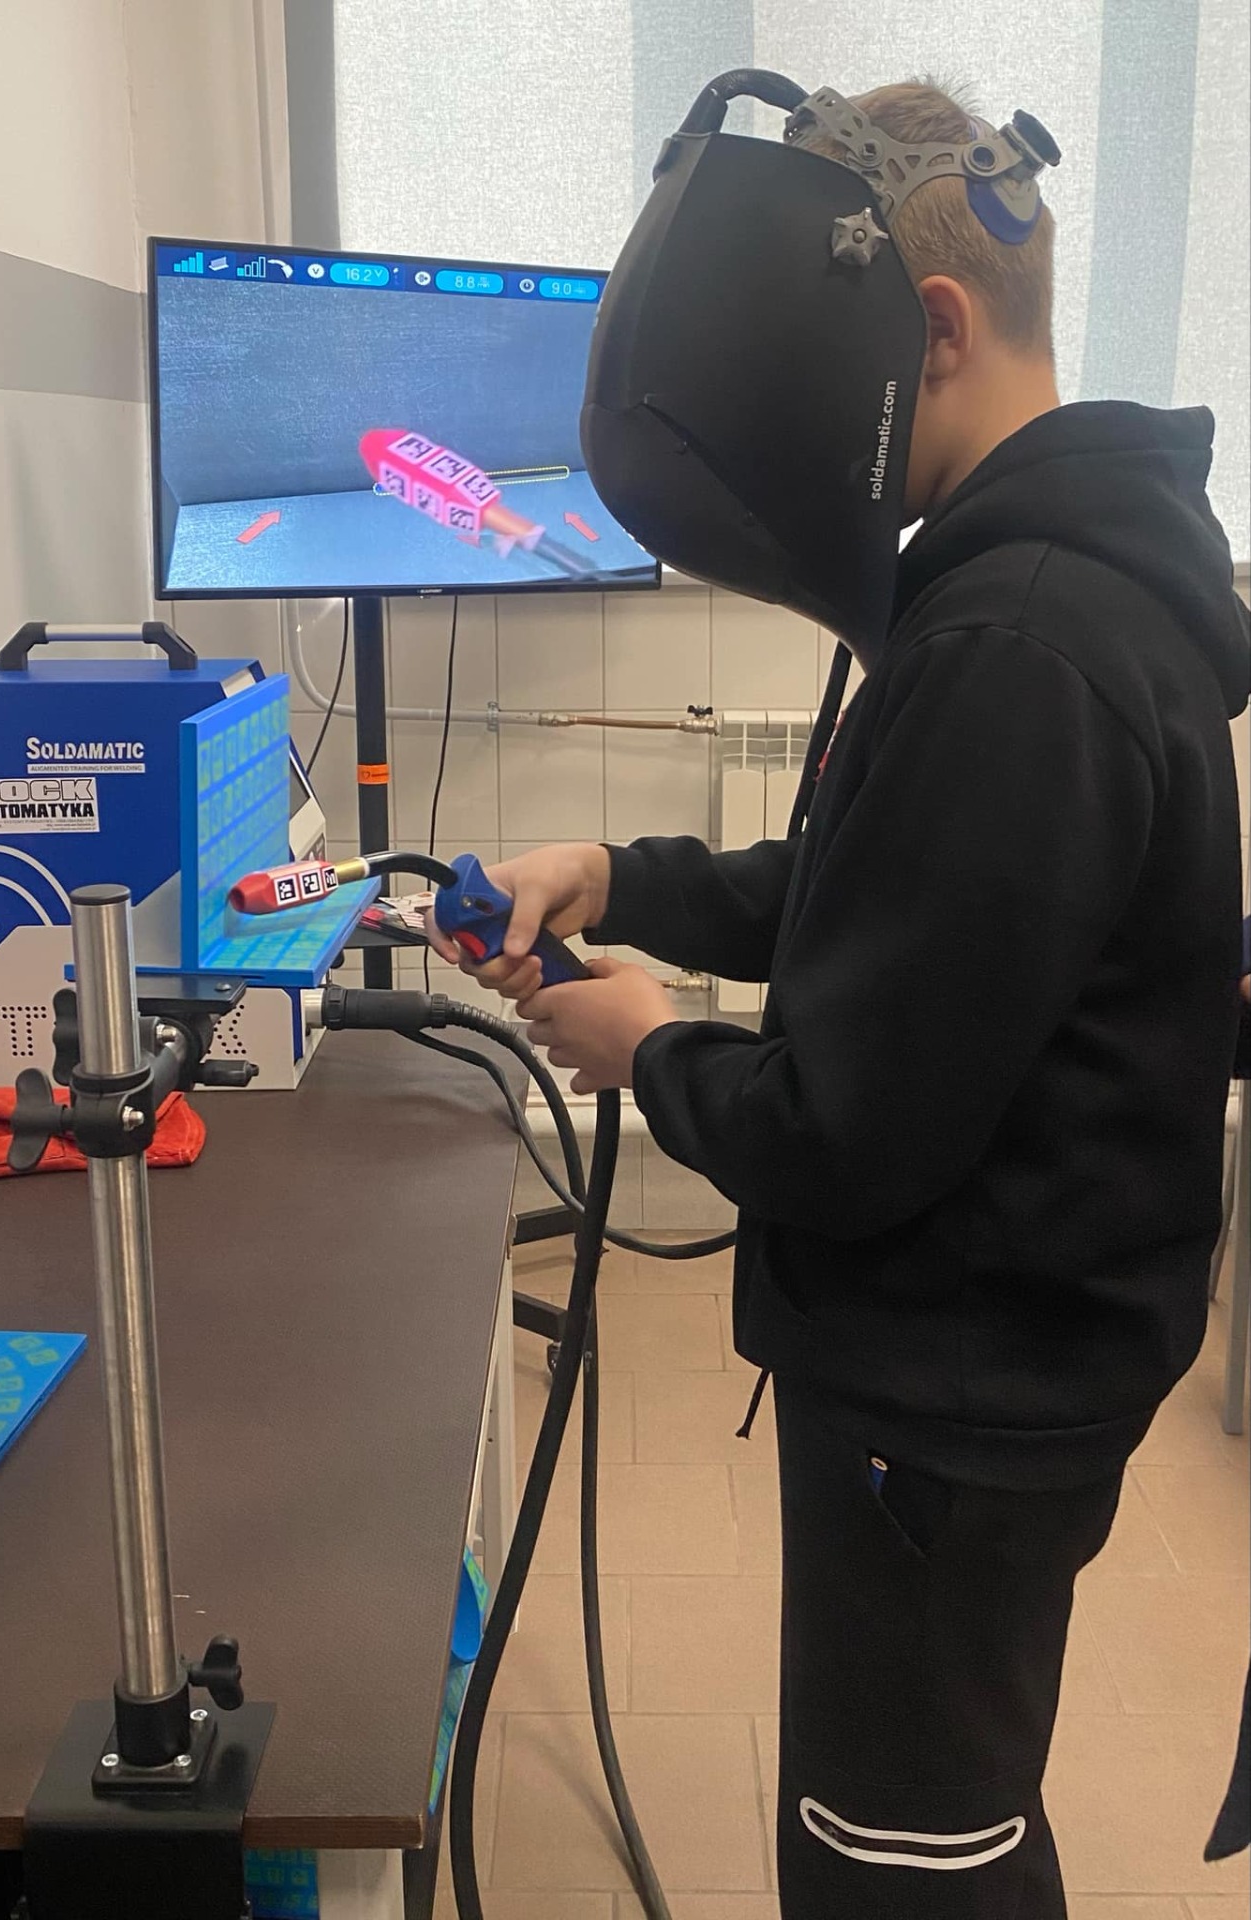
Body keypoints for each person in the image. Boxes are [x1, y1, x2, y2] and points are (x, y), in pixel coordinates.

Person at [432, 79, 1251, 1920]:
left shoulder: (1020, 639)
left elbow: (847, 1129)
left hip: (961, 1385)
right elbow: (892, 896)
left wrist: (649, 1045)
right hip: (989, 1348)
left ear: (931, 330)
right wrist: (625, 876)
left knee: (906, 1860)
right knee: (941, 1814)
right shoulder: (1040, 589)